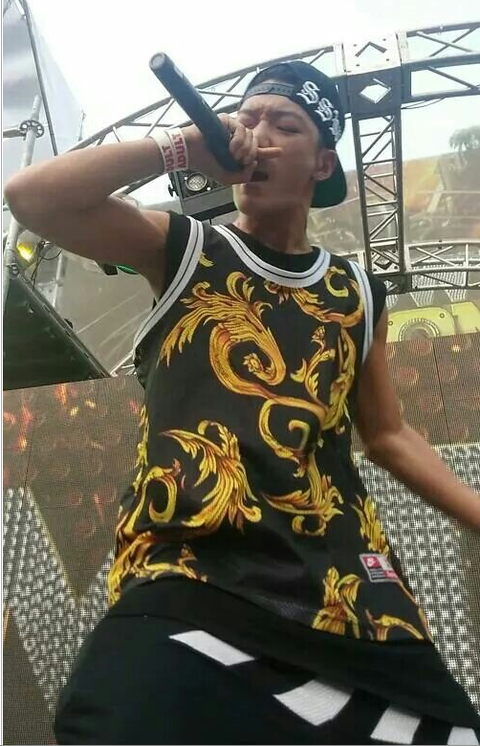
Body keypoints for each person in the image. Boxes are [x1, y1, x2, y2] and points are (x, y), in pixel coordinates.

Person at [5, 60, 480, 746]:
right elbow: (34, 199)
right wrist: (181, 147)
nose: (256, 135)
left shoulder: (356, 293)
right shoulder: (184, 248)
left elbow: (389, 436)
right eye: (246, 120)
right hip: (190, 574)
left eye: (283, 125)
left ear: (322, 164)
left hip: (353, 603)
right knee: (113, 718)